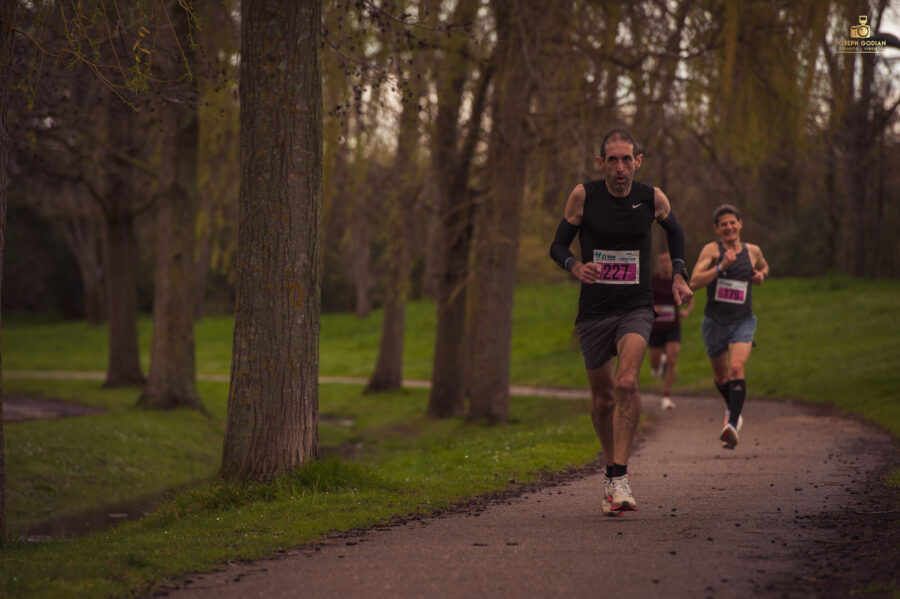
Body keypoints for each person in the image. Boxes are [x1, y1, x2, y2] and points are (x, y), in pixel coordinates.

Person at [549, 128, 693, 517]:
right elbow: (557, 245)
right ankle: (610, 468)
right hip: (594, 311)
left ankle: (619, 477)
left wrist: (680, 274)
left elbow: (675, 231)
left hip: (635, 306)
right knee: (604, 397)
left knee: (627, 381)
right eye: (612, 159)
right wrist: (575, 266)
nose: (619, 167)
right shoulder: (584, 195)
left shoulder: (651, 197)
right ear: (601, 163)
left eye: (626, 159)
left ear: (638, 161)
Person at [689, 204, 769, 450]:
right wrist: (721, 266)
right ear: (717, 229)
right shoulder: (712, 250)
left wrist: (761, 275)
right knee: (721, 376)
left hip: (742, 320)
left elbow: (764, 266)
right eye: (723, 224)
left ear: (740, 224)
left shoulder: (752, 250)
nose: (729, 227)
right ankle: (733, 408)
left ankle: (732, 424)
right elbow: (694, 281)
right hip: (715, 322)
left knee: (736, 367)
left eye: (732, 222)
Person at [649, 249, 694, 410]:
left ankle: (666, 396)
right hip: (655, 328)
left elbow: (691, 299)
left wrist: (686, 311)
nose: (665, 264)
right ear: (658, 263)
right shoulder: (653, 281)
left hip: (673, 326)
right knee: (654, 364)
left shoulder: (678, 280)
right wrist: (652, 308)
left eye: (668, 260)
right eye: (662, 261)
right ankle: (658, 364)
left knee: (673, 358)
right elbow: (644, 300)